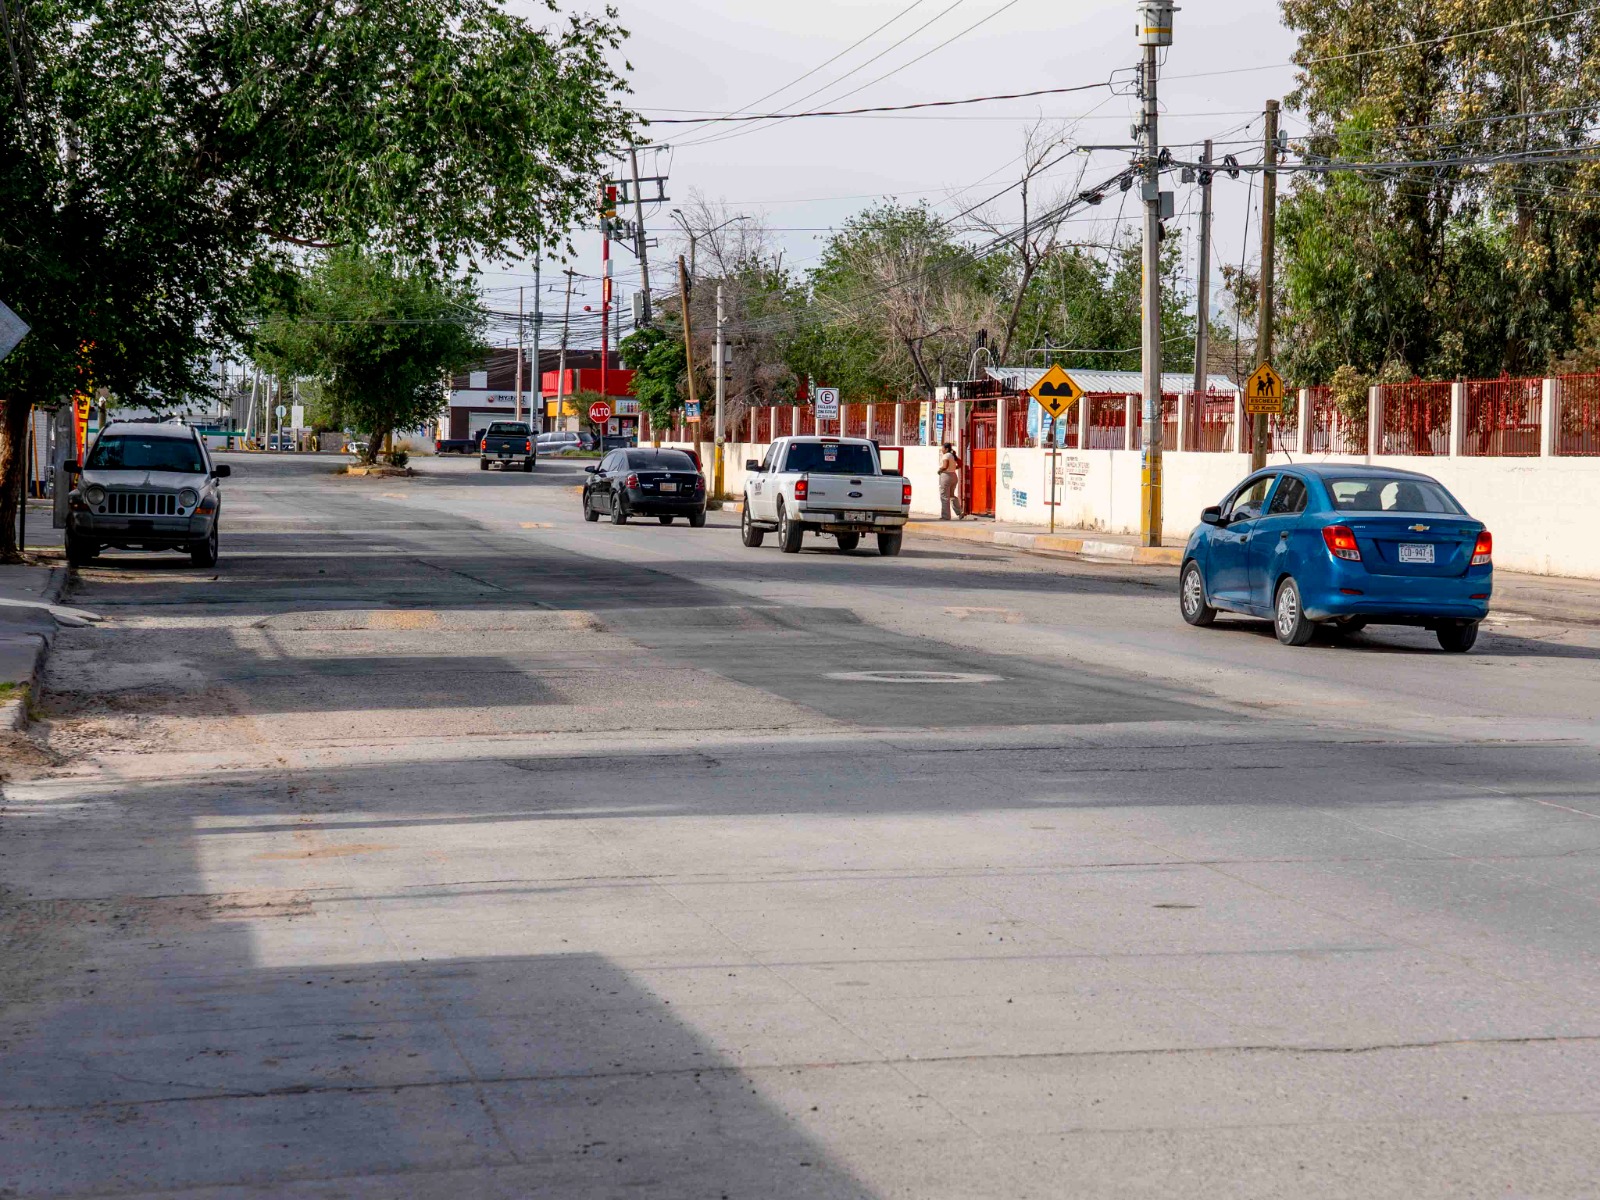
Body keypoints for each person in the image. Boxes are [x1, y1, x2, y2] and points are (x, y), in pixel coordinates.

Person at [937, 442, 965, 520]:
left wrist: (940, 470)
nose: (942, 450)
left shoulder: (946, 455)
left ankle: (945, 516)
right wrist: (953, 468)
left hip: (946, 476)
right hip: (953, 476)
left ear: (946, 449)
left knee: (944, 496)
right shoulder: (953, 455)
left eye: (942, 448)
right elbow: (960, 464)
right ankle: (959, 512)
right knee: (951, 495)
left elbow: (945, 466)